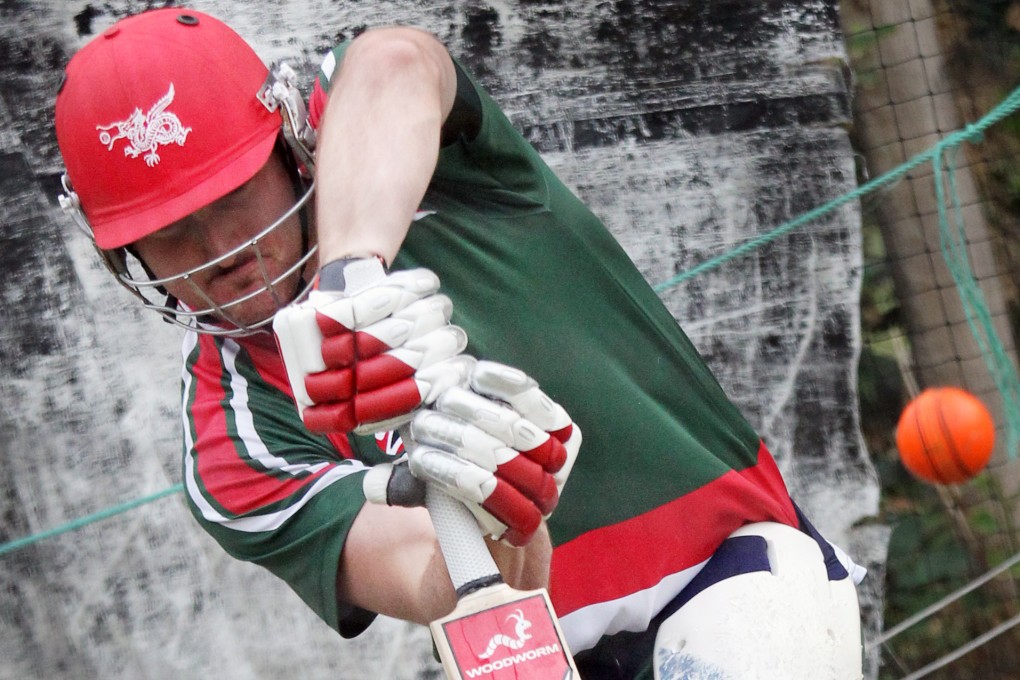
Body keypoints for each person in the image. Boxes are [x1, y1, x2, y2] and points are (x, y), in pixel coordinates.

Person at [54, 7, 865, 679]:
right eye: (166, 232)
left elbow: (393, 61)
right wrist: (493, 509)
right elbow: (430, 581)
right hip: (547, 658)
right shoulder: (227, 435)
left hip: (737, 571)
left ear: (292, 143)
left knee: (745, 638)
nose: (219, 248)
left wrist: (352, 279)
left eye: (232, 191)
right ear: (123, 258)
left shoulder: (408, 154)